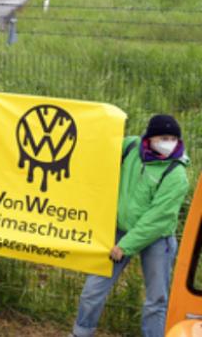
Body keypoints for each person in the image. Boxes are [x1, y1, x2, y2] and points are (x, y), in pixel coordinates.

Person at [72, 115, 190, 337]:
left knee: (156, 300)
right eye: (164, 137)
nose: (169, 143)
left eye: (173, 138)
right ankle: (80, 333)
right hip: (120, 229)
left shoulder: (176, 174)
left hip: (157, 238)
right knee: (93, 290)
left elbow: (157, 218)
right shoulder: (132, 146)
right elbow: (103, 148)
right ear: (150, 137)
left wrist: (124, 246)